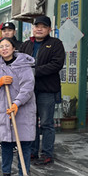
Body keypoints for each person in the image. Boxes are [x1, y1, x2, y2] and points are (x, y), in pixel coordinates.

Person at [0, 38, 36, 176]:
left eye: (7, 46)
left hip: (23, 110)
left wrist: (16, 103)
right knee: (6, 143)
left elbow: (28, 88)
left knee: (24, 144)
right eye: (1, 46)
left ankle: (22, 175)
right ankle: (6, 173)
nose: (4, 49)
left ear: (14, 48)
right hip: (4, 109)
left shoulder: (24, 65)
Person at [19, 15, 65, 165]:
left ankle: (47, 153)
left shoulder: (55, 44)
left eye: (43, 27)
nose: (39, 29)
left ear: (49, 29)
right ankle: (32, 152)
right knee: (31, 122)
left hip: (47, 90)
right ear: (33, 28)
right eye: (37, 26)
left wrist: (33, 71)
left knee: (46, 123)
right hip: (29, 90)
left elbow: (56, 64)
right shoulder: (26, 45)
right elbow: (18, 63)